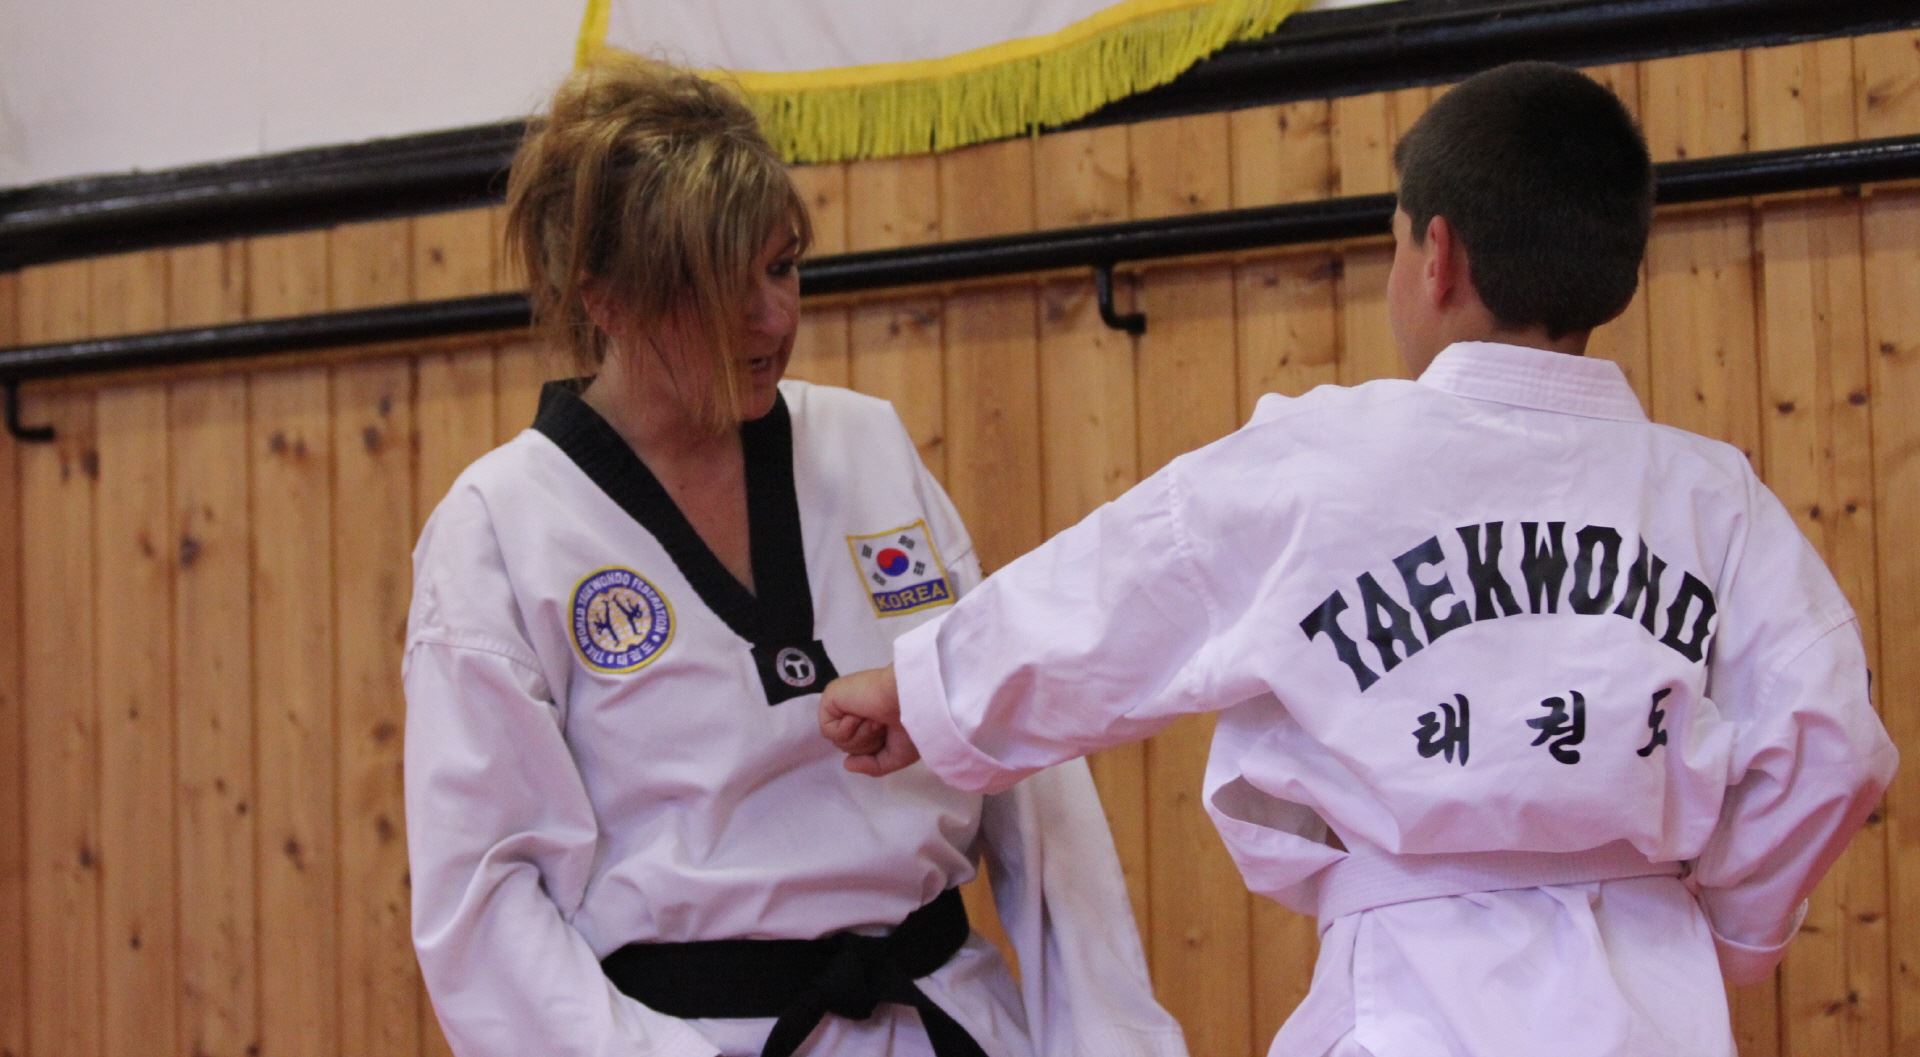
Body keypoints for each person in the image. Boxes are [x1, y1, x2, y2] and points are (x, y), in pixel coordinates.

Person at [820, 61, 1897, 1057]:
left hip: (1409, 997)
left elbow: (1125, 589)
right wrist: (1735, 927)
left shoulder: (1325, 458)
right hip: (1655, 1003)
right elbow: (1831, 743)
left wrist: (930, 693)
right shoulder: (1713, 496)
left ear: (1437, 257)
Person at [403, 53, 1188, 1057]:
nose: (773, 318)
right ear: (606, 300)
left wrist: (1116, 1038)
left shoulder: (868, 448)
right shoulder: (504, 528)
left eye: (781, 265)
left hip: (943, 1016)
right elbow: (485, 909)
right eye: (720, 287)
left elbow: (1024, 772)